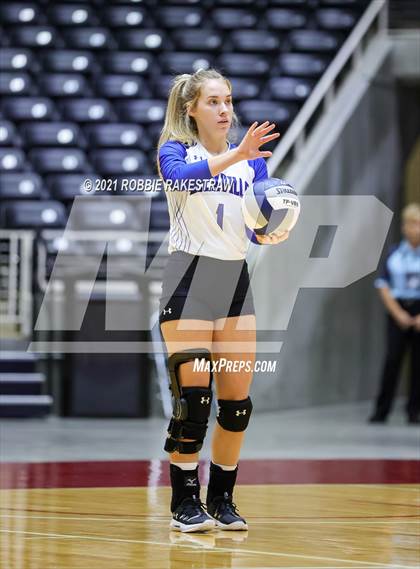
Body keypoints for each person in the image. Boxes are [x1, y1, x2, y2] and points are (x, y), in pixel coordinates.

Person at [156, 68, 290, 532]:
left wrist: (269, 231)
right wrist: (237, 153)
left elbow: (254, 221)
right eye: (213, 101)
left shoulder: (252, 163)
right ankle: (183, 501)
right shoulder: (175, 150)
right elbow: (181, 178)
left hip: (234, 281)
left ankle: (223, 498)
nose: (224, 109)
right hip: (189, 278)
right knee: (193, 398)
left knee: (236, 405)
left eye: (228, 100)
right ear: (191, 108)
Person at [369, 202, 420, 424]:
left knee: (418, 364)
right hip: (398, 309)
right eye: (411, 224)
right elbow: (383, 284)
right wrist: (398, 313)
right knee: (392, 360)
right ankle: (382, 410)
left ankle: (414, 411)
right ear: (404, 227)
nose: (415, 228)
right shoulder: (394, 253)